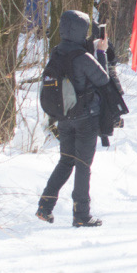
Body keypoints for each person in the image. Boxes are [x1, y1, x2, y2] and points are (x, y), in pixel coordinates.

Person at [37, 11, 111, 227]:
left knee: (66, 160)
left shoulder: (56, 52)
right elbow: (103, 79)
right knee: (82, 165)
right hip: (85, 119)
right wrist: (101, 53)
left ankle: (45, 205)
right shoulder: (83, 57)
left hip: (64, 118)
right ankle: (81, 214)